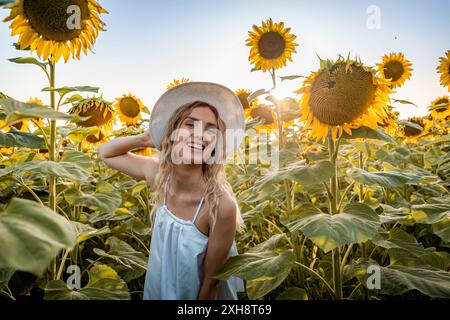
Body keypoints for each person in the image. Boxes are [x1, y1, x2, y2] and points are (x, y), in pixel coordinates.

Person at [98, 82, 246, 300]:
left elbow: (210, 286)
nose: (200, 135)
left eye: (210, 129)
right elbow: (105, 153)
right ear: (173, 131)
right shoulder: (158, 175)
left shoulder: (220, 205)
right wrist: (146, 138)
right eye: (190, 125)